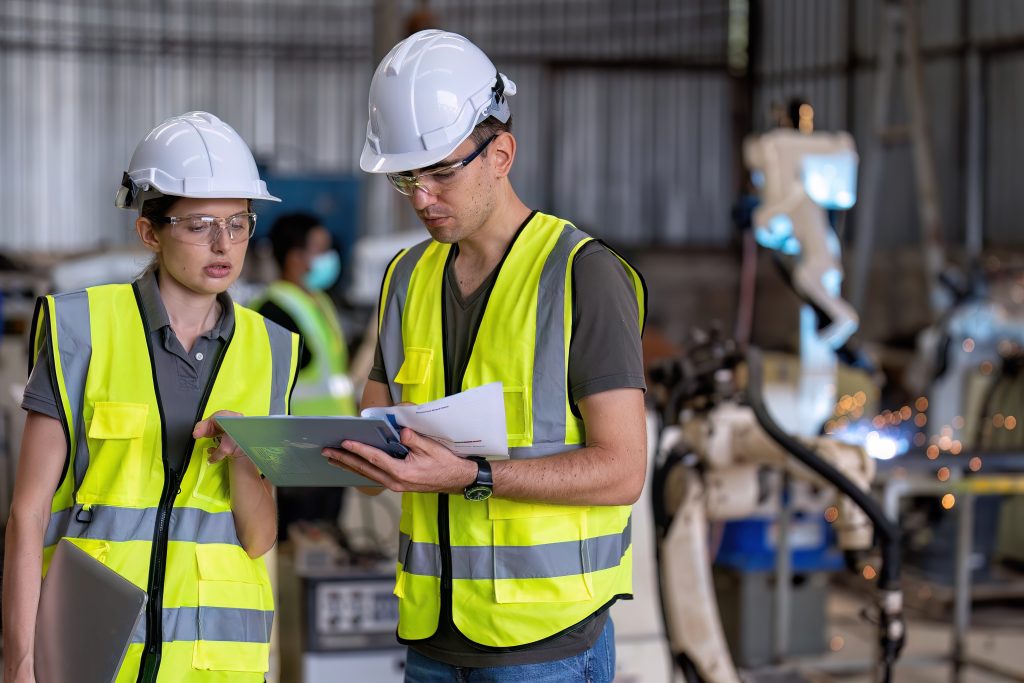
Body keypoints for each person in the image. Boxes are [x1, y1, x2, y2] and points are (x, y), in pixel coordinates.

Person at [323, 30, 648, 682]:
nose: (421, 197)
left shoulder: (582, 274)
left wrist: (472, 476)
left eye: (441, 172)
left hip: (547, 644)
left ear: (501, 153)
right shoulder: (405, 278)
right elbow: (373, 453)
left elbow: (623, 471)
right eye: (407, 178)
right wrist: (291, 449)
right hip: (432, 636)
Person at [2, 111, 299, 683]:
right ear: (149, 232)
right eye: (199, 225)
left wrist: (241, 461)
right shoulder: (82, 327)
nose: (223, 244)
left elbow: (260, 537)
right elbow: (27, 512)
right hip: (94, 655)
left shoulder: (272, 349)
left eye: (238, 223)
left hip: (216, 664)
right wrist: (19, 664)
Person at [251, 213, 355, 540]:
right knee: (298, 543)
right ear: (295, 257)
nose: (329, 257)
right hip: (300, 450)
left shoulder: (319, 301)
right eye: (319, 249)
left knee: (326, 537)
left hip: (337, 446)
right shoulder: (273, 310)